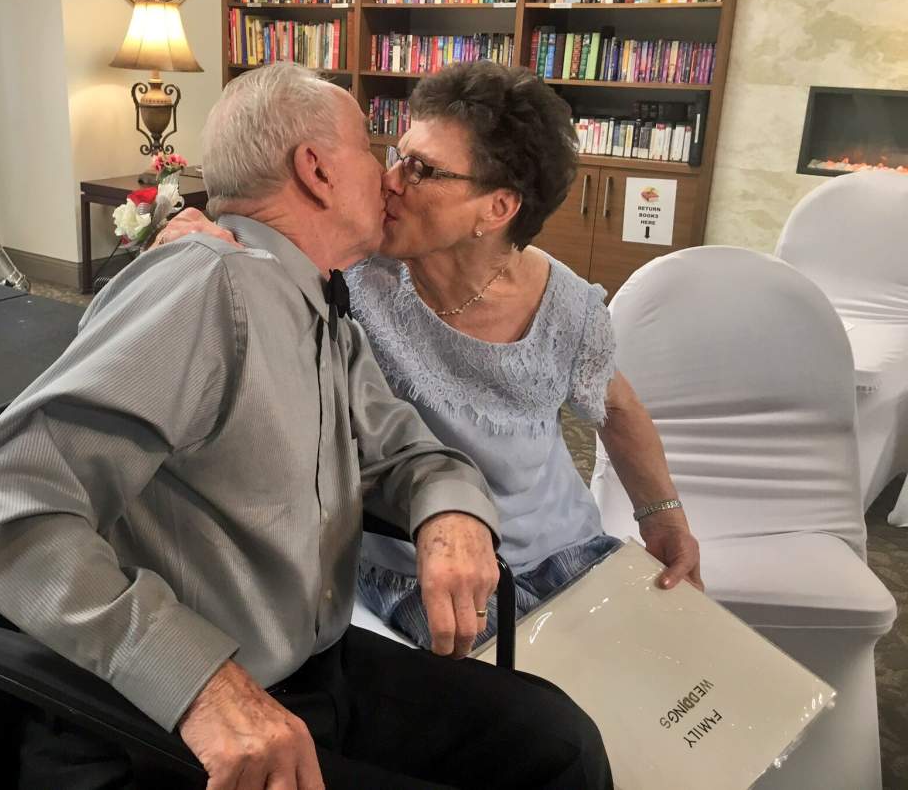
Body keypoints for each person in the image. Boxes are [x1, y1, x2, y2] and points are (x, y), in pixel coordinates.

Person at [0, 62, 611, 789]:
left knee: (560, 741)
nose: (390, 179)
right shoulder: (208, 286)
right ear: (316, 169)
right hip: (177, 717)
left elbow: (404, 446)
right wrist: (197, 681)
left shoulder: (319, 304)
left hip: (316, 667)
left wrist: (450, 511)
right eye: (372, 150)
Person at [156, 60, 702, 654]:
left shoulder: (565, 307)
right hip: (416, 557)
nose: (390, 180)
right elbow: (261, 248)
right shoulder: (351, 268)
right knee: (538, 718)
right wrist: (198, 236)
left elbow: (616, 409)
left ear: (496, 210)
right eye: (395, 154)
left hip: (565, 544)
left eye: (422, 170)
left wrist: (664, 517)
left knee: (679, 673)